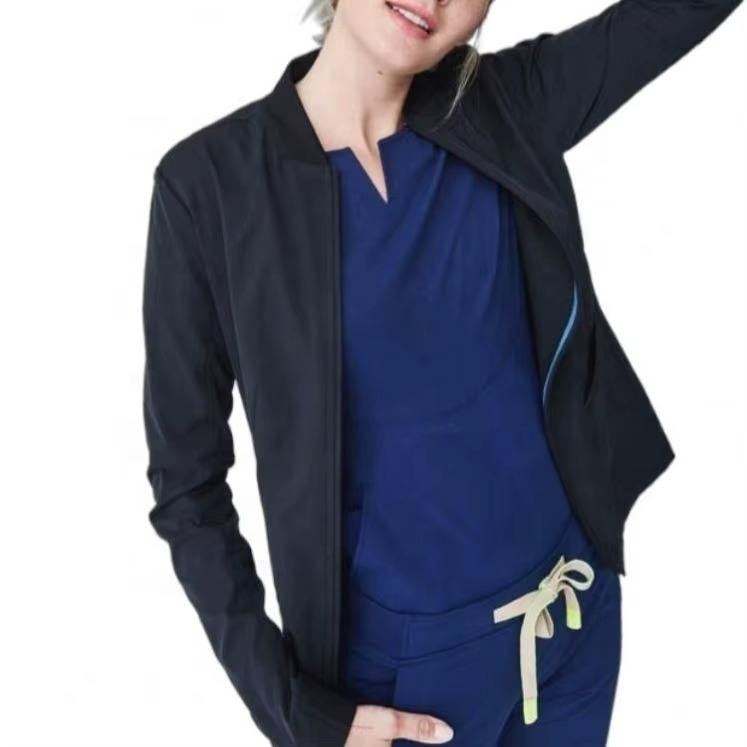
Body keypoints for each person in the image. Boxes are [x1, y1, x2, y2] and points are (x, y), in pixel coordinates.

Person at [141, 0, 743, 744]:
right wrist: (294, 709)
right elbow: (188, 486)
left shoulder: (502, 105)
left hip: (570, 619)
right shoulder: (209, 188)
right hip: (399, 683)